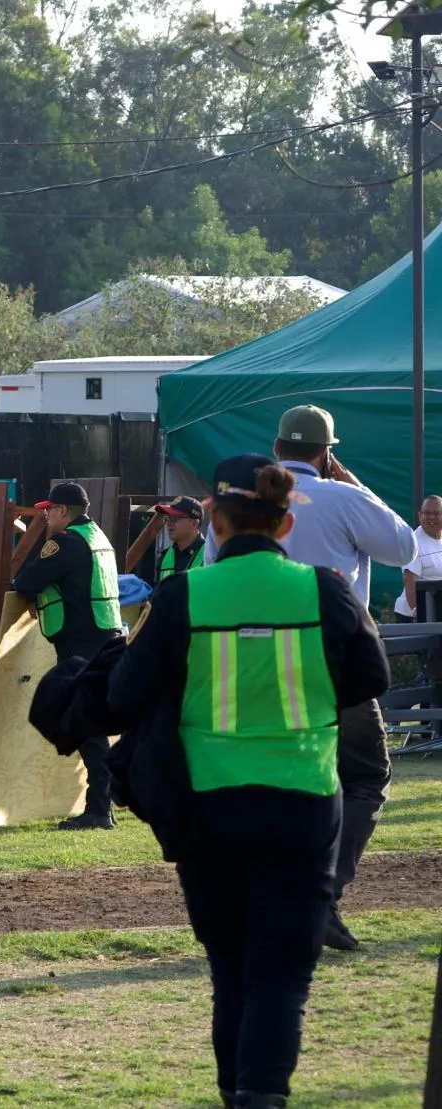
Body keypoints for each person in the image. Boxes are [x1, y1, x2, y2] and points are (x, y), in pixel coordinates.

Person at [107, 455, 389, 1109]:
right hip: (300, 799)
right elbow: (370, 679)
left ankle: (236, 1093)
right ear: (286, 522)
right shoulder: (325, 589)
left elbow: (124, 693)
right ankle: (263, 1095)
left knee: (229, 969)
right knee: (281, 978)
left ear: (214, 521)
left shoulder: (185, 594)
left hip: (210, 801)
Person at [246, 404, 411, 951]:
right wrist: (357, 485)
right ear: (327, 453)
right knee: (364, 777)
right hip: (334, 660)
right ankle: (320, 895)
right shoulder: (344, 497)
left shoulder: (245, 505)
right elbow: (404, 547)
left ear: (276, 449)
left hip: (259, 662)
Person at [10, 481, 126, 831]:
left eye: (49, 510)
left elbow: (26, 582)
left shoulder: (65, 541)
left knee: (86, 724)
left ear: (63, 511)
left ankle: (99, 809)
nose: (45, 516)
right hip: (104, 638)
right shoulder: (97, 537)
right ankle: (103, 804)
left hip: (80, 644)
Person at [125, 496, 206, 583]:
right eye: (167, 518)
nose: (169, 524)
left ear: (194, 523)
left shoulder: (211, 554)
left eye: (175, 519)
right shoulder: (165, 556)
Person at [393, 494, 442, 621]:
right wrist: (420, 616)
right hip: (414, 618)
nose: (431, 517)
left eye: (437, 514)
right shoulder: (413, 543)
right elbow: (412, 593)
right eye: (427, 513)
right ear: (420, 516)